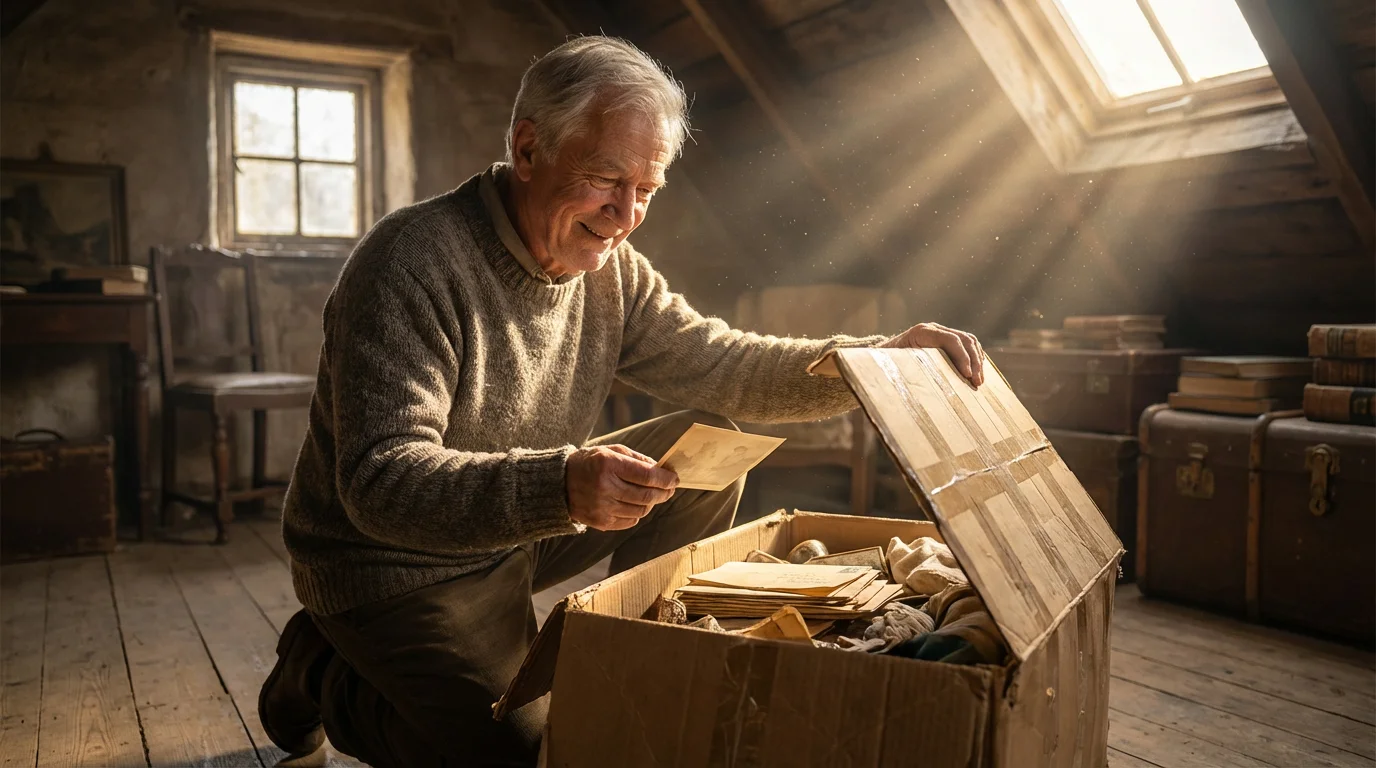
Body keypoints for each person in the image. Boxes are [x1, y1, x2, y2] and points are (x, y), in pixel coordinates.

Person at [257, 35, 985, 768]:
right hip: (392, 561)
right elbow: (380, 483)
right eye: (607, 179)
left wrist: (869, 361)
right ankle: (317, 671)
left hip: (514, 531)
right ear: (529, 147)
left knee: (710, 437)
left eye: (648, 190)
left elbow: (722, 363)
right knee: (526, 755)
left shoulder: (611, 272)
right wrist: (561, 484)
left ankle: (635, 654)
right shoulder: (409, 260)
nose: (625, 215)